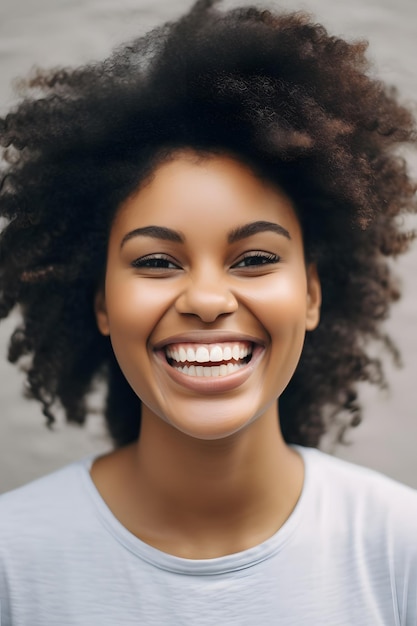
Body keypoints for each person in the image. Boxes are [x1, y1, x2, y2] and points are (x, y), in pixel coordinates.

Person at [0, 0, 416, 623]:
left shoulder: (400, 550)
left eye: (253, 259)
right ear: (102, 304)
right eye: (157, 263)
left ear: (311, 294)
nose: (206, 300)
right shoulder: (12, 563)